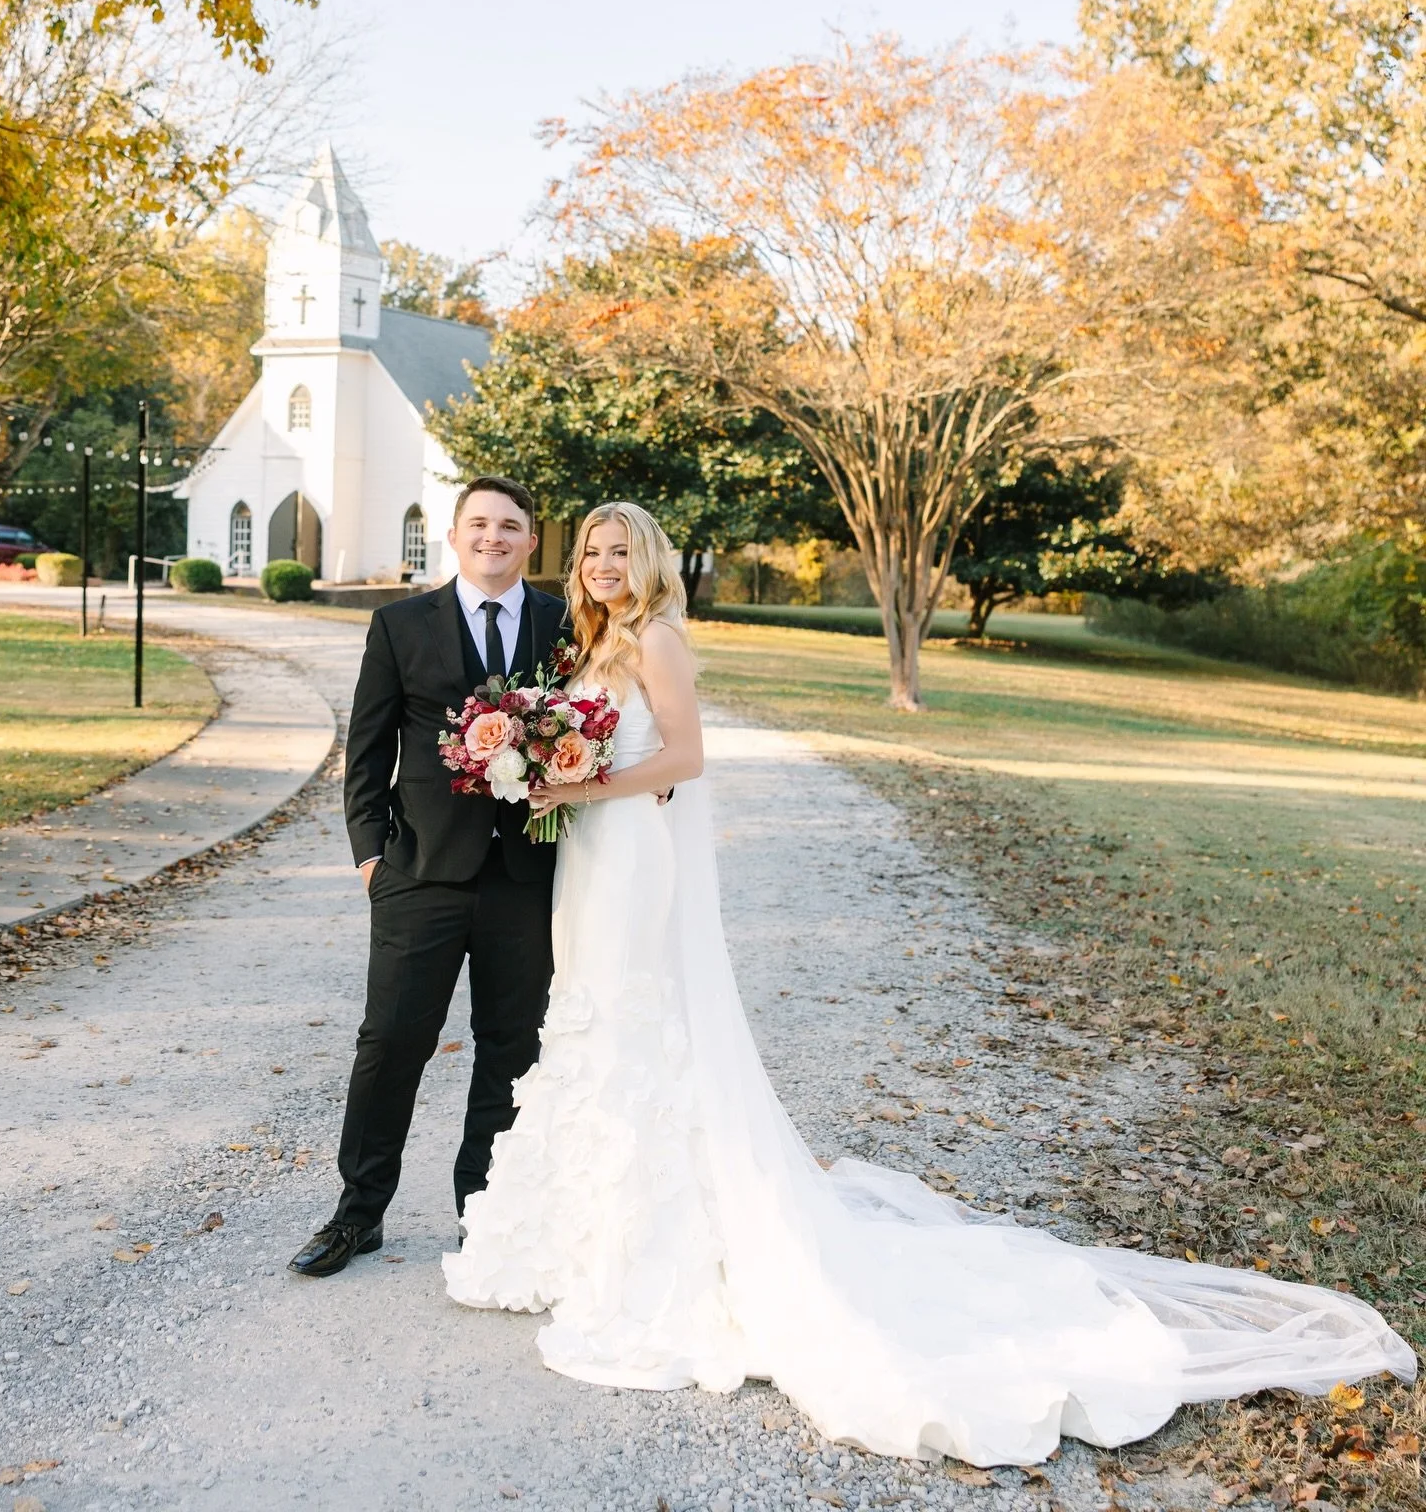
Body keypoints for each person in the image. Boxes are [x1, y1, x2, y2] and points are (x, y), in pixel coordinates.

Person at [442, 500, 1415, 1466]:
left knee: (633, 1026)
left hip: (631, 858)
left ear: (649, 559)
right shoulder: (593, 640)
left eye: (621, 550)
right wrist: (549, 766)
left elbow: (684, 758)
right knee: (589, 1024)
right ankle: (579, 1233)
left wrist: (576, 783)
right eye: (594, 551)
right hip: (591, 857)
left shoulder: (657, 638)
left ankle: (648, 1243)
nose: (604, 564)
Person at [289, 476, 567, 1278]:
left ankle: (486, 1213)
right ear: (453, 535)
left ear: (531, 540)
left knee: (511, 1048)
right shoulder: (400, 624)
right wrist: (370, 857)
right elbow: (368, 750)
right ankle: (358, 1213)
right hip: (418, 872)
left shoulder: (564, 625)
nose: (492, 537)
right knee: (391, 1042)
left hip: (526, 875)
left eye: (509, 525)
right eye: (478, 523)